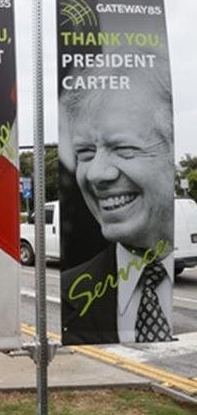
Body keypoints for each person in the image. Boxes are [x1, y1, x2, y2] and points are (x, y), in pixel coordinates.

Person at [60, 65, 175, 345]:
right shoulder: (68, 290)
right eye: (85, 153)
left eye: (124, 149)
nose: (96, 174)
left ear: (172, 154)